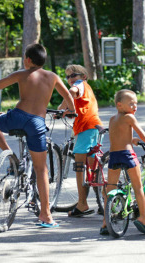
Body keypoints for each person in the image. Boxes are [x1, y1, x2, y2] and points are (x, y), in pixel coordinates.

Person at [0, 43, 76, 228]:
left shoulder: (21, 74)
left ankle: (10, 155)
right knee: (42, 169)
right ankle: (46, 215)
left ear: (27, 60)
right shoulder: (52, 76)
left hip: (17, 117)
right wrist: (70, 111)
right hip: (36, 122)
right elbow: (68, 98)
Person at [100, 89, 145, 235]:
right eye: (131, 104)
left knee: (110, 189)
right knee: (138, 187)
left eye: (136, 103)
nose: (135, 106)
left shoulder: (112, 119)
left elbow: (117, 138)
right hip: (128, 156)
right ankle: (142, 218)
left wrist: (131, 140)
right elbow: (143, 134)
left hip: (114, 156)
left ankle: (105, 222)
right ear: (119, 105)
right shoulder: (129, 118)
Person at [57, 64, 103, 217]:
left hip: (85, 127)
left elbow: (71, 92)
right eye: (67, 76)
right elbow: (82, 105)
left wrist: (61, 108)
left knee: (79, 165)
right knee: (93, 168)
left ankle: (82, 204)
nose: (70, 79)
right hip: (94, 125)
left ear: (83, 76)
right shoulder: (87, 88)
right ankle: (104, 201)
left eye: (73, 75)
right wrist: (70, 110)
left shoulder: (79, 85)